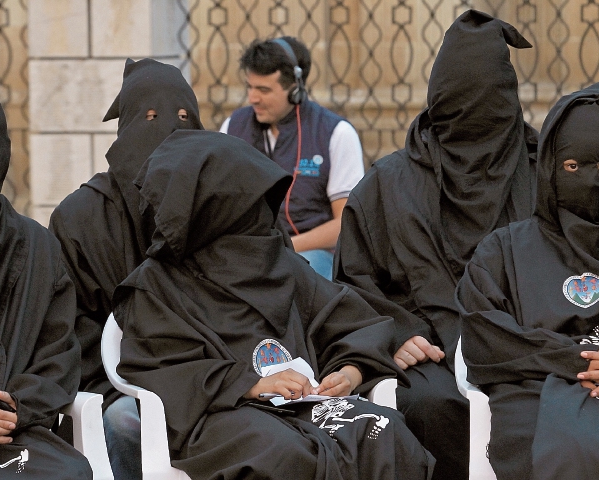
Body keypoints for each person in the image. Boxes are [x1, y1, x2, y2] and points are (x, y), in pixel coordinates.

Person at [113, 130, 435, 480]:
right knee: (286, 456)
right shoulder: (156, 284)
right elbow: (163, 370)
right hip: (222, 415)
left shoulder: (276, 260)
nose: (261, 217)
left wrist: (348, 372)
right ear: (214, 209)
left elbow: (353, 322)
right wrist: (251, 384)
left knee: (383, 430)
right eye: (247, 205)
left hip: (308, 407)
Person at [333, 10, 539, 480]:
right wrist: (394, 331)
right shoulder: (388, 186)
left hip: (528, 345)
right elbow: (352, 284)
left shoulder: (542, 173)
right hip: (430, 350)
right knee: (430, 404)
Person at [49, 58, 203, 480]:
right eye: (150, 118)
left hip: (214, 379)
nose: (169, 130)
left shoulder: (219, 205)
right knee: (124, 423)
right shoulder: (79, 217)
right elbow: (69, 327)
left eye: (184, 117)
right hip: (119, 384)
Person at [456, 83, 599, 480]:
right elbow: (485, 336)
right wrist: (576, 361)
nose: (592, 183)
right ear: (550, 166)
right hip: (532, 391)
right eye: (574, 167)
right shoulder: (503, 250)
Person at [0, 59, 91, 479]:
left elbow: (59, 354)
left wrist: (15, 406)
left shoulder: (36, 247)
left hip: (13, 430)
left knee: (70, 473)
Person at [220, 36, 364, 280]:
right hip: (247, 254)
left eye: (264, 90)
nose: (253, 98)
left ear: (295, 90)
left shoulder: (336, 134)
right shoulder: (232, 127)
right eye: (250, 87)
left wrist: (287, 247)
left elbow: (346, 223)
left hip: (313, 255)